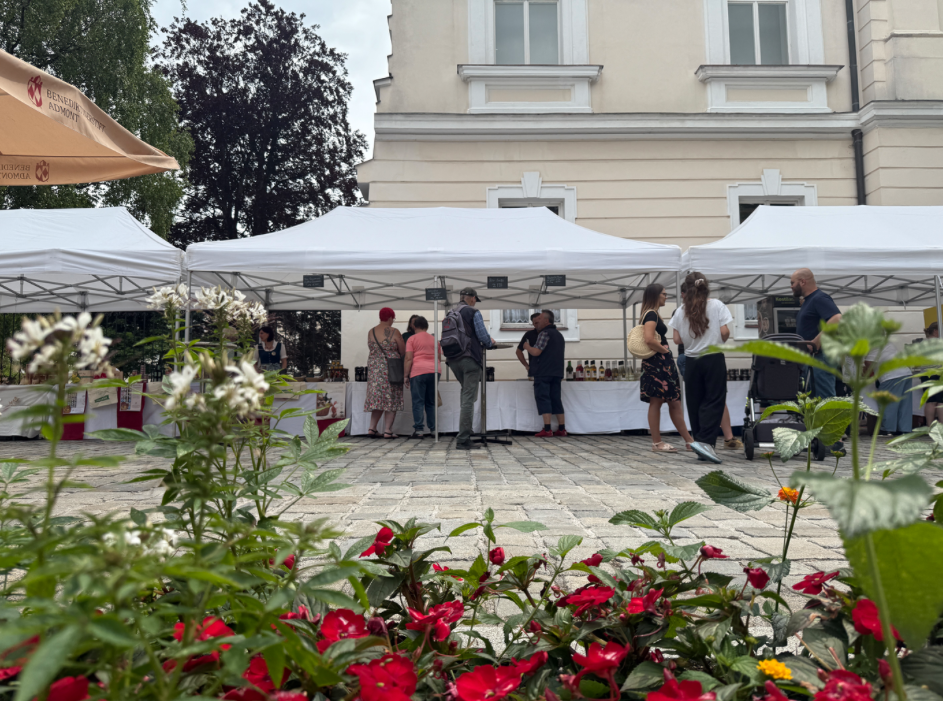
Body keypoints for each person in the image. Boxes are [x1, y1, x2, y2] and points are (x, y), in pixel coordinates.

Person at [668, 272, 733, 464]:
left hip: (691, 360)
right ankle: (706, 443)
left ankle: (700, 443)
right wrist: (718, 338)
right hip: (713, 358)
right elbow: (724, 331)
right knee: (714, 400)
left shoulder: (680, 311)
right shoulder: (717, 305)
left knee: (694, 402)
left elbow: (677, 339)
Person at [638, 283, 693, 452]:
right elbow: (649, 339)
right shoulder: (651, 314)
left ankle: (689, 441)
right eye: (663, 294)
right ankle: (657, 443)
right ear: (655, 295)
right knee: (658, 401)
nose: (666, 296)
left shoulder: (652, 314)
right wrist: (664, 350)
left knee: (673, 402)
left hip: (660, 363)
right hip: (657, 363)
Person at [446, 287, 496, 450]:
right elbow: (482, 335)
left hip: (453, 359)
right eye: (475, 300)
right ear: (473, 298)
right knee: (468, 398)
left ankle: (467, 430)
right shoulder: (473, 312)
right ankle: (463, 439)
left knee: (466, 394)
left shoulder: (451, 312)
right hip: (469, 359)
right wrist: (490, 342)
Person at [791, 268, 842, 398]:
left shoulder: (819, 298)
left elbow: (837, 319)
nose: (791, 287)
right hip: (813, 358)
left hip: (820, 357)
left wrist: (815, 342)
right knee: (814, 399)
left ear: (802, 282)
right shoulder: (810, 301)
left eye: (792, 283)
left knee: (825, 399)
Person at [523, 310, 567, 437]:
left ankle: (547, 430)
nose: (537, 321)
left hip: (543, 372)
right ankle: (562, 429)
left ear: (547, 321)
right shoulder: (559, 335)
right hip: (557, 372)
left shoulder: (545, 333)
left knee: (543, 398)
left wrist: (527, 346)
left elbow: (536, 352)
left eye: (540, 319)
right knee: (556, 399)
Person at [365, 307, 406, 439]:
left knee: (378, 399)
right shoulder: (394, 331)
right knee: (391, 398)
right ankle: (388, 430)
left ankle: (372, 428)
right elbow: (403, 351)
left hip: (374, 370)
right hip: (390, 369)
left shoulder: (371, 331)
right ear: (390, 317)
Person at [864, 335, 913, 436]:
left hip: (891, 375)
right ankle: (903, 429)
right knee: (904, 404)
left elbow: (869, 364)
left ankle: (887, 429)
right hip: (906, 372)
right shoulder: (886, 342)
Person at [403, 316, 441, 439]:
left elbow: (408, 358)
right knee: (431, 402)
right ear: (427, 326)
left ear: (414, 326)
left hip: (418, 371)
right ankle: (433, 430)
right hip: (435, 371)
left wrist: (405, 375)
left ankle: (419, 430)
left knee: (418, 402)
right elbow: (439, 358)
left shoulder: (411, 339)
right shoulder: (435, 340)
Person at [924, 322, 941, 427]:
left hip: (925, 374)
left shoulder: (922, 343)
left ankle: (929, 425)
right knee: (940, 401)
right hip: (937, 373)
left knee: (930, 401)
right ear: (935, 331)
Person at [516, 312, 542, 377]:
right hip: (534, 370)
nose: (538, 325)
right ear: (533, 324)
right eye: (535, 323)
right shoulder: (529, 334)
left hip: (548, 370)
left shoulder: (549, 333)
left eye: (539, 322)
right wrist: (526, 366)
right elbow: (518, 351)